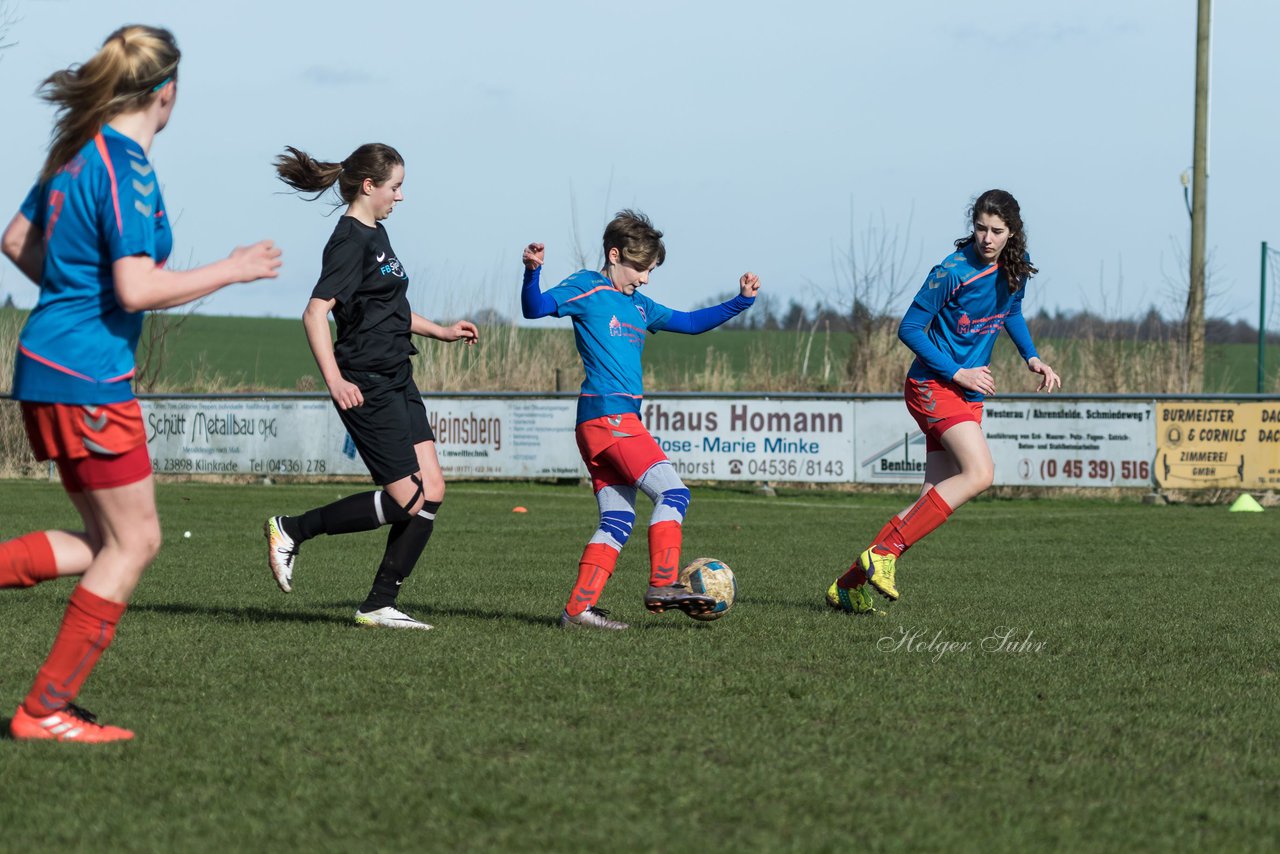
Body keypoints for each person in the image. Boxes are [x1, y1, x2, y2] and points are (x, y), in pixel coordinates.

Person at [0, 25, 281, 742]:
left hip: (47, 366)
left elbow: (15, 242)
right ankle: (45, 711)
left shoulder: (72, 153)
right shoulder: (127, 164)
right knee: (137, 542)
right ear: (167, 91)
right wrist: (233, 267)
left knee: (105, 543)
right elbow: (133, 286)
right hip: (89, 376)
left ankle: (48, 706)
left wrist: (70, 297)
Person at [264, 144, 478, 631]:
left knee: (433, 490)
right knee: (407, 500)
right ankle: (291, 530)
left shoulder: (376, 234)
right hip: (364, 381)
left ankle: (378, 605)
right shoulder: (348, 240)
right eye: (395, 187)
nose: (400, 197)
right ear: (368, 186)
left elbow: (389, 310)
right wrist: (335, 380)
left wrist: (441, 330)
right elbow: (315, 312)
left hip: (397, 374)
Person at [521, 211, 760, 630]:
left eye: (650, 271)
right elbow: (535, 308)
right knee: (674, 494)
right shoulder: (587, 286)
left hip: (607, 421)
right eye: (640, 269)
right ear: (614, 255)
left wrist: (740, 302)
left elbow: (688, 322)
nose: (645, 279)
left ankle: (577, 611)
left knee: (616, 521)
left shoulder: (639, 304)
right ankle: (664, 583)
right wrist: (532, 273)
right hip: (606, 417)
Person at [826, 189, 1060, 615]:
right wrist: (957, 371)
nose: (987, 238)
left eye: (996, 231)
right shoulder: (951, 271)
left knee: (929, 500)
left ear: (1012, 233)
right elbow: (910, 328)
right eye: (980, 228)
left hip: (968, 392)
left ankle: (849, 584)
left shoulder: (1015, 271)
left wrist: (1033, 357)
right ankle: (885, 553)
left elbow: (1011, 312)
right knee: (981, 472)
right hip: (933, 385)